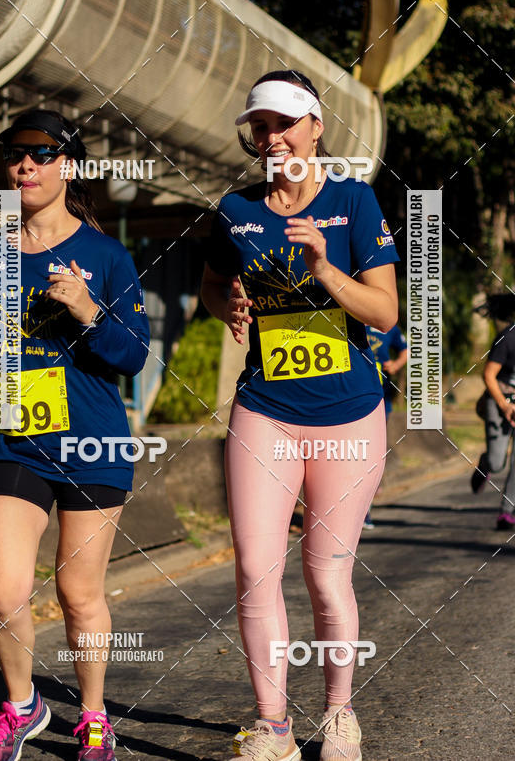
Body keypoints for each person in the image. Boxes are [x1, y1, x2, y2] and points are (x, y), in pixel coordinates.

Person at [0, 110, 149, 761]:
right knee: (0, 590)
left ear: (68, 166)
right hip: (13, 436)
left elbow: (133, 355)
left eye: (41, 154)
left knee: (78, 594)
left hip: (93, 441)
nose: (25, 165)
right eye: (14, 155)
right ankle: (22, 706)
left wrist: (85, 309)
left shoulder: (105, 255)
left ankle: (95, 717)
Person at [201, 70, 399, 761]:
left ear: (316, 127)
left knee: (325, 573)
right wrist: (224, 302)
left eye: (285, 122)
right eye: (261, 125)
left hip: (348, 417)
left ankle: (339, 714)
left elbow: (385, 311)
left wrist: (326, 271)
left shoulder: (355, 202)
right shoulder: (235, 209)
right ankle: (273, 725)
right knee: (255, 566)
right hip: (265, 410)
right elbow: (211, 282)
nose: (273, 136)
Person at [470, 322, 515, 529]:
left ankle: (507, 511)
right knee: (498, 463)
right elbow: (488, 375)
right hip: (499, 400)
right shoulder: (507, 337)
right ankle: (486, 463)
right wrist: (505, 406)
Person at [363, 324, 408, 527]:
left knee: (371, 453)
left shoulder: (386, 325)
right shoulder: (344, 316)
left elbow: (406, 350)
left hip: (381, 398)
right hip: (350, 398)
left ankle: (365, 511)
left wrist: (397, 365)